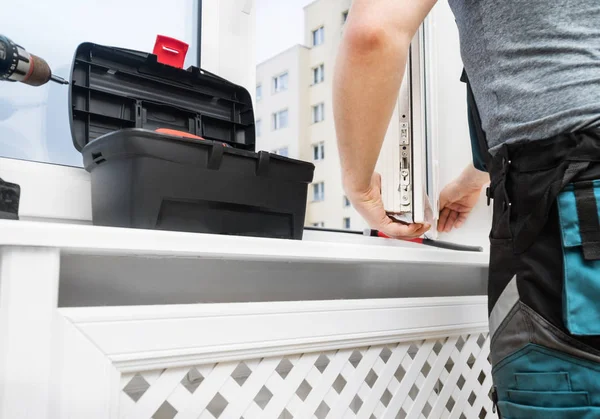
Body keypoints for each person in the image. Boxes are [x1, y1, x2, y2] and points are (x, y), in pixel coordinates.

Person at [333, 0, 600, 417]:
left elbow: (374, 33)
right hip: (570, 186)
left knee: (561, 392)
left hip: (572, 202)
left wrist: (358, 182)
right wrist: (478, 177)